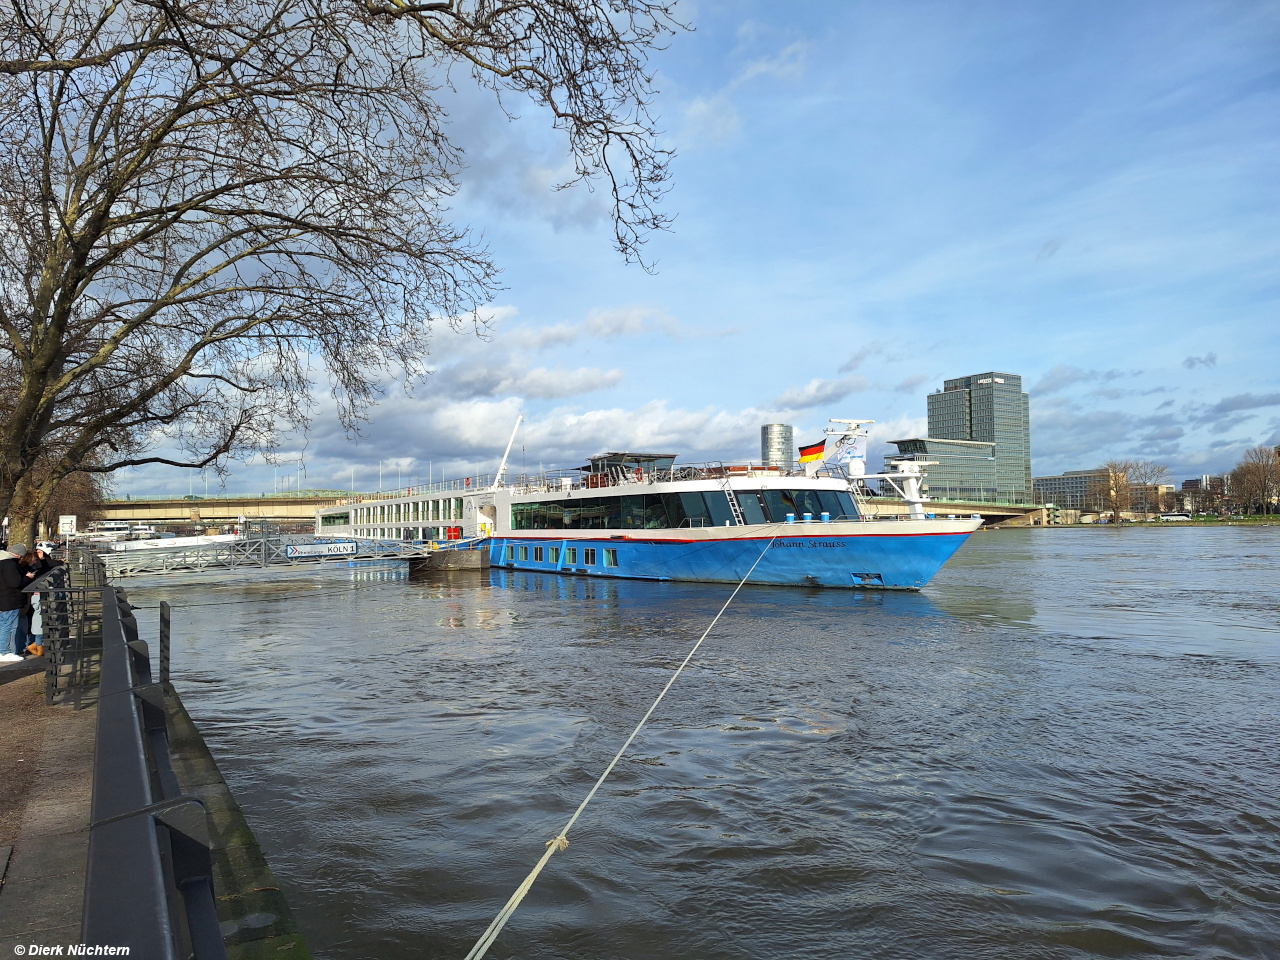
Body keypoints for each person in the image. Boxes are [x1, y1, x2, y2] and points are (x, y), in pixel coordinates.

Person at [0, 542, 26, 662]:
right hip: (9, 599)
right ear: (18, 555)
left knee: (3, 625)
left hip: (3, 598)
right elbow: (15, 583)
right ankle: (4, 652)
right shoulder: (9, 564)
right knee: (8, 626)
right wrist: (27, 578)